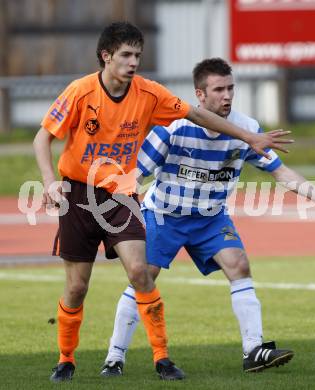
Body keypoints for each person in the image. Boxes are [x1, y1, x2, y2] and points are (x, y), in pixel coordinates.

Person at [33, 23, 293, 383]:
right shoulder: (80, 91)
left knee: (141, 272)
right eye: (126, 54)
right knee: (77, 287)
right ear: (106, 56)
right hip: (77, 195)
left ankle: (162, 358)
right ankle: (66, 359)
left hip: (121, 194)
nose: (134, 61)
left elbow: (198, 114)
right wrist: (49, 182)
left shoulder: (149, 93)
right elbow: (42, 137)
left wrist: (250, 137)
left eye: (138, 54)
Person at [101, 57, 315, 376]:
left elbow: (280, 172)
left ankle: (253, 351)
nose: (227, 95)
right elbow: (133, 175)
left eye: (231, 88)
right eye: (219, 89)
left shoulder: (246, 130)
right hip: (164, 216)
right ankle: (115, 356)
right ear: (200, 95)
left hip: (210, 219)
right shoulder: (172, 127)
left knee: (239, 265)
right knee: (143, 277)